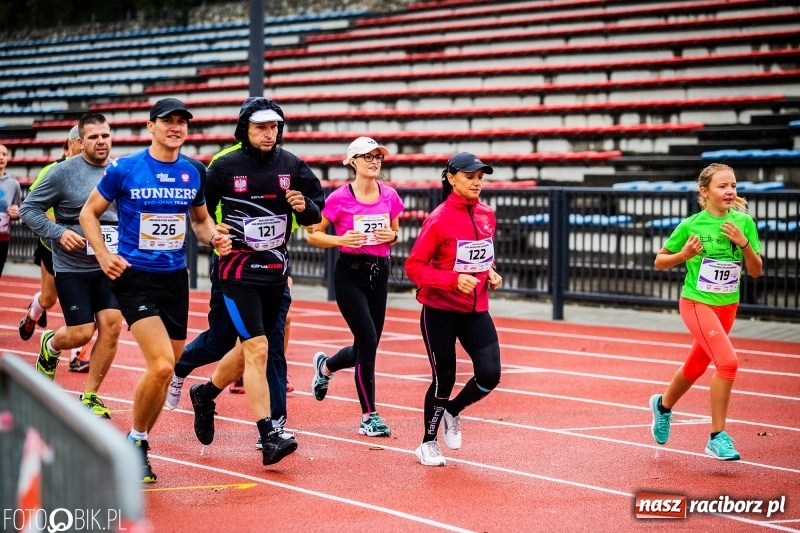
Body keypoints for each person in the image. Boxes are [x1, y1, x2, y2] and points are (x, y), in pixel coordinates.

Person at [80, 98, 232, 483]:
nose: (176, 127)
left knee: (164, 372)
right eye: (168, 121)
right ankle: (136, 445)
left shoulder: (193, 172)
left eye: (182, 122)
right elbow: (88, 213)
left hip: (174, 279)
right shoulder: (125, 168)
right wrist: (102, 254)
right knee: (163, 364)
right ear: (151, 126)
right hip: (134, 277)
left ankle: (137, 438)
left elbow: (199, 223)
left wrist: (214, 236)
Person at [187, 97, 323, 467]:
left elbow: (316, 211)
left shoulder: (291, 164)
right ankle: (269, 434)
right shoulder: (225, 165)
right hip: (237, 271)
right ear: (245, 129)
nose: (269, 133)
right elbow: (199, 211)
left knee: (256, 349)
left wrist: (303, 207)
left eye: (274, 127)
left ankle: (205, 393)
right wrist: (216, 231)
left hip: (276, 274)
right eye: (262, 127)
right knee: (257, 348)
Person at [649, 163, 762, 461]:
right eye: (722, 186)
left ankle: (662, 405)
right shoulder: (691, 225)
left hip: (728, 305)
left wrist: (744, 243)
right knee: (728, 362)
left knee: (696, 366)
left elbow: (756, 270)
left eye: (733, 186)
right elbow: (659, 261)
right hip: (697, 303)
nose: (730, 192)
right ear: (705, 191)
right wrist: (683, 255)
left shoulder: (744, 223)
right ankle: (717, 436)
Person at [19, 114, 121, 419]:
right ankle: (51, 343)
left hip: (108, 263)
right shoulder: (61, 173)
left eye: (105, 135)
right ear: (80, 141)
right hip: (72, 266)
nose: (101, 141)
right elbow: (28, 209)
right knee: (80, 333)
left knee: (112, 325)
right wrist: (59, 233)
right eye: (93, 137)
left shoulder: (119, 171)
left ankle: (90, 396)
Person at [405, 152, 503, 466]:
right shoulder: (438, 218)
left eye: (480, 178)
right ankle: (427, 443)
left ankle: (453, 411)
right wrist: (451, 281)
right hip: (440, 310)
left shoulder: (487, 214)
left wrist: (490, 271)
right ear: (451, 178)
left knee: (490, 374)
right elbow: (413, 267)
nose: (476, 183)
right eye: (469, 177)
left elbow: (481, 254)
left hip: (476, 309)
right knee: (444, 377)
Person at [307, 136, 404, 437]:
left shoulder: (389, 195)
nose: (374, 162)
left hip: (380, 273)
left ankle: (326, 367)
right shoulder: (338, 198)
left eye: (378, 157)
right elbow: (313, 235)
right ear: (352, 162)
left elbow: (395, 234)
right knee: (368, 340)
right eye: (367, 157)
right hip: (349, 275)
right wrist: (340, 240)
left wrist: (391, 236)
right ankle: (369, 416)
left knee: (368, 343)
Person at [19, 125, 90, 371]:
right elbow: (32, 205)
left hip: (85, 251)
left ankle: (77, 356)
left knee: (90, 307)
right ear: (71, 143)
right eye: (80, 141)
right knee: (49, 298)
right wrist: (59, 228)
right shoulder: (52, 170)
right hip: (51, 246)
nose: (84, 146)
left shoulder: (99, 170)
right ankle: (33, 314)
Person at [0, 143, 22, 278]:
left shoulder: (13, 184)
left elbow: (17, 210)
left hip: (2, 239)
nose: (1, 157)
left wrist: (16, 213)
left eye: (4, 154)